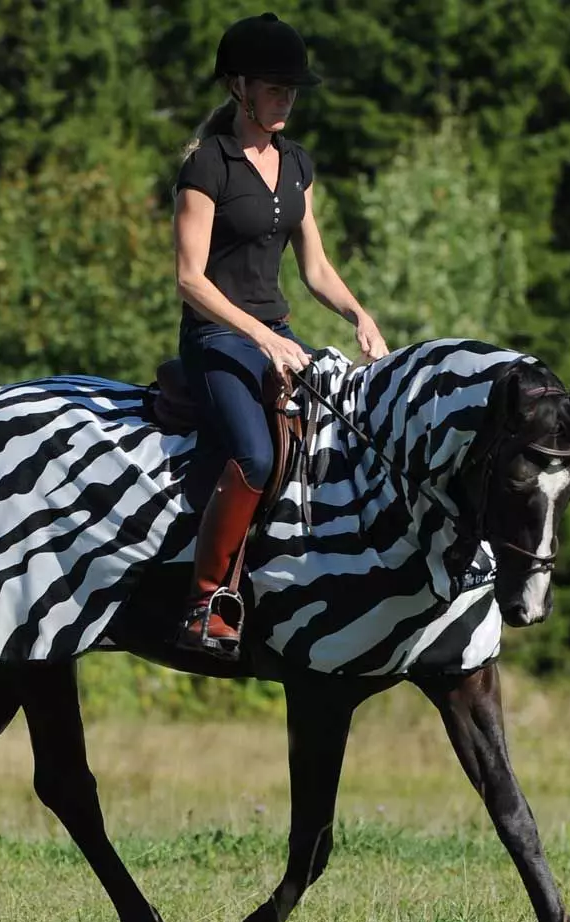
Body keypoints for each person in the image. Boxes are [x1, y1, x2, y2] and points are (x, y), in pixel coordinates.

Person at [173, 11, 389, 659]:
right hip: (217, 338)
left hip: (282, 335)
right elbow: (190, 279)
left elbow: (315, 267)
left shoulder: (298, 164)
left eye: (293, 89)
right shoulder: (207, 166)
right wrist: (260, 338)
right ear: (239, 88)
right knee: (258, 457)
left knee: (335, 449)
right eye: (275, 88)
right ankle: (205, 601)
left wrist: (358, 314)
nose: (286, 99)